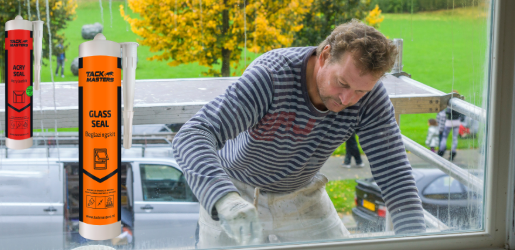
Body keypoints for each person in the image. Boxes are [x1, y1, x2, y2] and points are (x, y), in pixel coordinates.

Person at [173, 19, 426, 248]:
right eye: (342, 83)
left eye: (360, 92)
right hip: (236, 190)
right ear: (325, 55)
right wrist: (224, 199)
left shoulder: (370, 98)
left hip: (302, 192)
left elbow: (394, 172)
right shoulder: (271, 77)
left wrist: (417, 242)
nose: (347, 99)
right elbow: (194, 134)